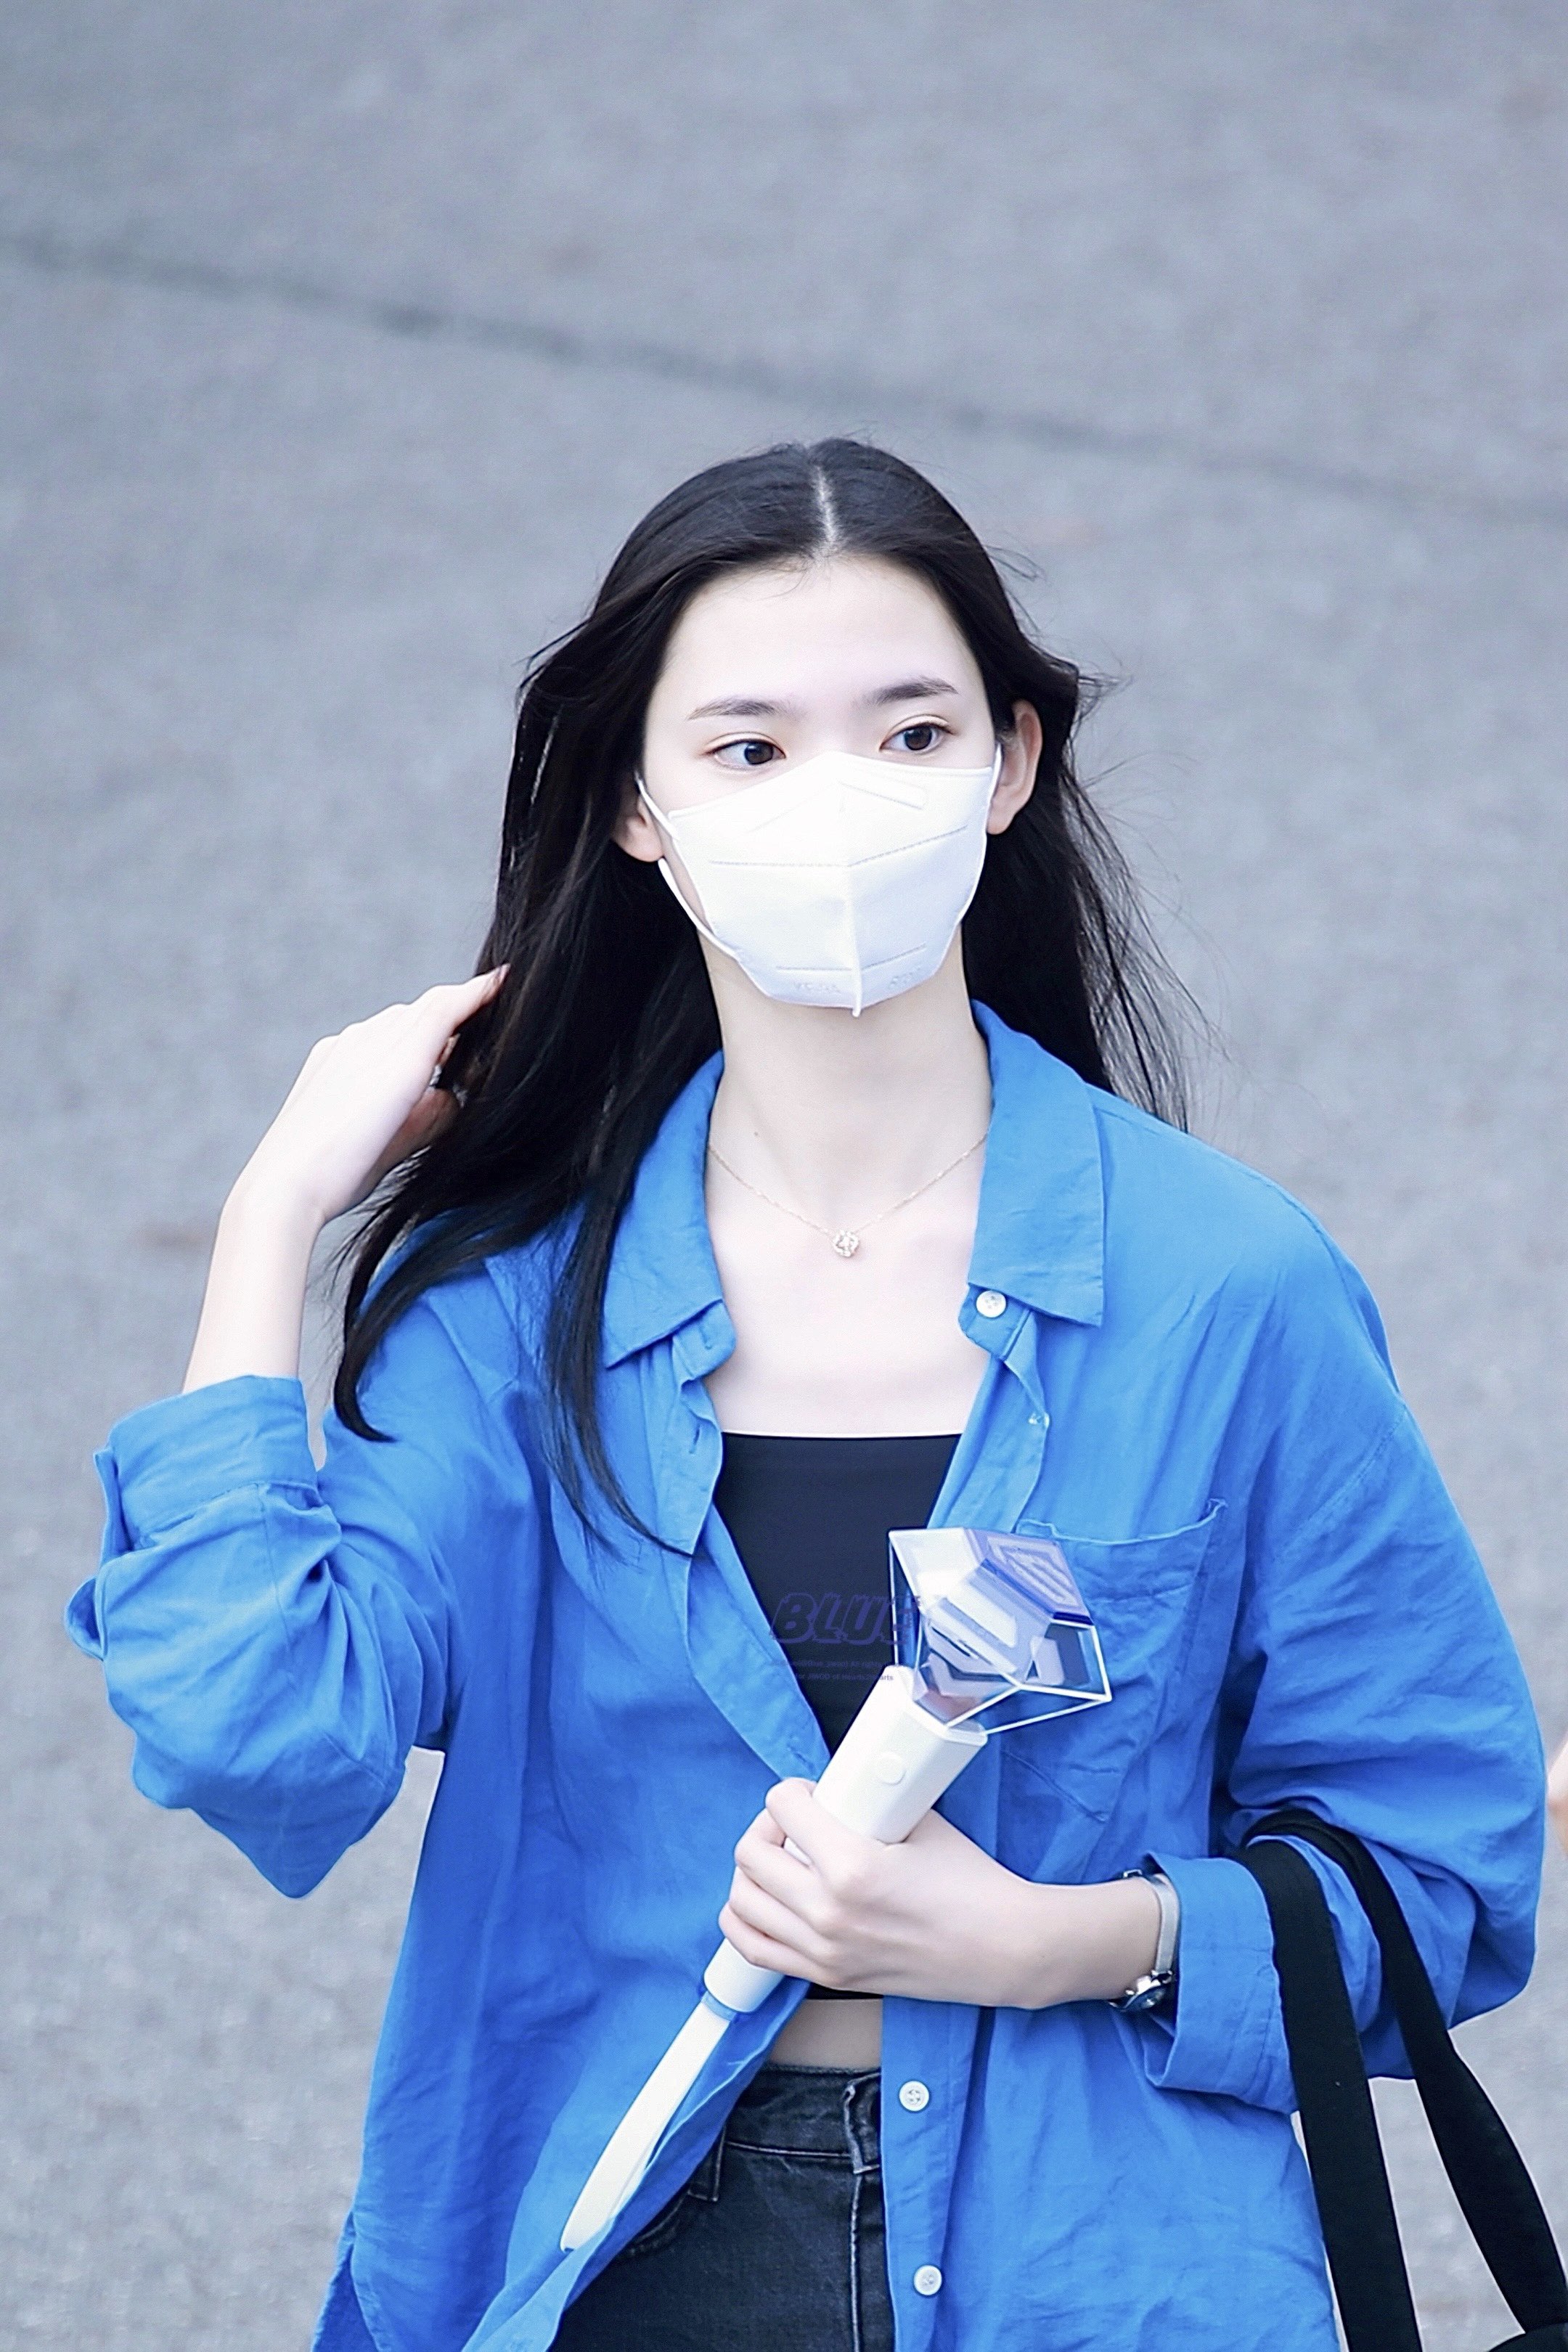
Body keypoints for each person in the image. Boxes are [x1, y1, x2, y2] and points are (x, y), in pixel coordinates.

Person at [68, 441, 1543, 2352]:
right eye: (750, 747)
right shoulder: (513, 1321)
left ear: (1011, 764)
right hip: (617, 2237)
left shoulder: (1228, 1288)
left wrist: (1062, 1940)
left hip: (1098, 2269)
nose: (839, 802)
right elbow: (256, 1735)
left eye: (910, 733)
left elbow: (1440, 1867)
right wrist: (273, 1219)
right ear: (638, 805)